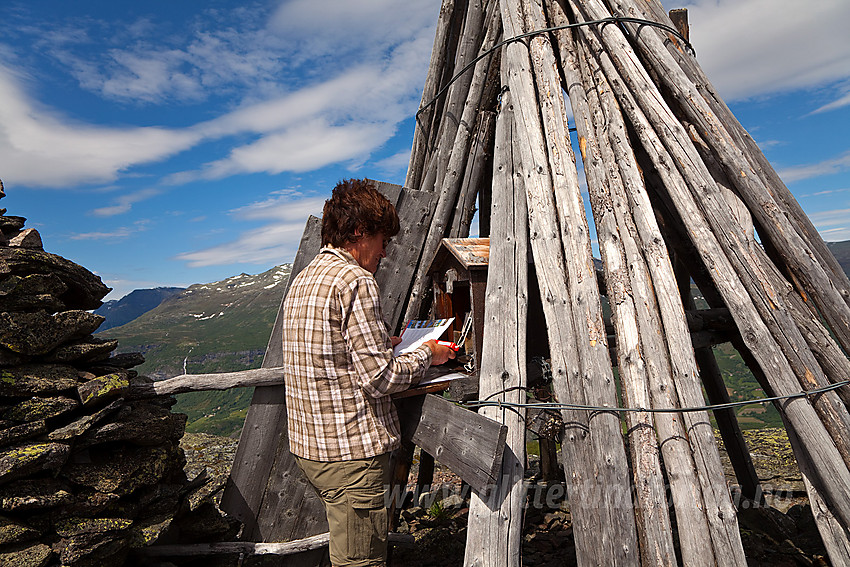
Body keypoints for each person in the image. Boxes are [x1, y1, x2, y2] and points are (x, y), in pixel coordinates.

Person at [281, 178, 456, 567]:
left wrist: (385, 343)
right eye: (382, 239)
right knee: (360, 562)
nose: (385, 251)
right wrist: (428, 352)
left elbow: (330, 350)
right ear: (359, 231)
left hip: (314, 448)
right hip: (352, 455)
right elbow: (381, 379)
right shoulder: (355, 281)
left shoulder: (306, 279)